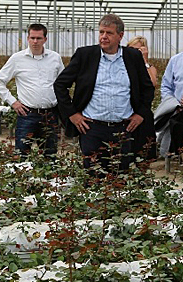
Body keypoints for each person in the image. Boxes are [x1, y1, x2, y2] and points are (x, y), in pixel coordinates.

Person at [54, 14, 155, 176]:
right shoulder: (85, 55)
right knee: (93, 177)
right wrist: (72, 114)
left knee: (121, 176)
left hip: (124, 129)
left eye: (109, 33)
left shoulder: (132, 57)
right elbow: (60, 85)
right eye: (101, 32)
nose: (104, 37)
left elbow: (147, 88)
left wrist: (141, 114)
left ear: (120, 36)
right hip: (92, 129)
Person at [0, 23, 64, 160]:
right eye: (32, 38)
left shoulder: (55, 58)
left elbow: (63, 83)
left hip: (50, 114)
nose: (35, 41)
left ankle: (49, 181)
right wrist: (13, 102)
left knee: (50, 155)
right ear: (27, 38)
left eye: (39, 38)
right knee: (22, 154)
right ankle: (22, 179)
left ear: (45, 39)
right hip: (27, 114)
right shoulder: (17, 59)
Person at [154, 21, 183, 158]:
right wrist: (173, 104)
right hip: (179, 111)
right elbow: (166, 86)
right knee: (179, 145)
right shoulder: (175, 60)